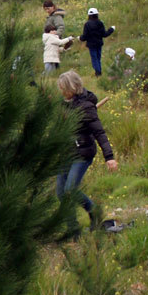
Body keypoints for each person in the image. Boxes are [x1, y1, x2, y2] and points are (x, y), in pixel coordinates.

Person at [57, 70, 118, 227]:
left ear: (73, 87)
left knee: (70, 190)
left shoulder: (86, 107)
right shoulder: (62, 104)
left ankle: (95, 213)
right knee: (61, 193)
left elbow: (99, 133)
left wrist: (109, 157)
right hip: (66, 152)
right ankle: (72, 230)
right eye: (60, 88)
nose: (62, 91)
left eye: (64, 88)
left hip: (83, 153)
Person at [79, 7, 114, 76]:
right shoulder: (100, 23)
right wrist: (111, 29)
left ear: (89, 15)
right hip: (99, 44)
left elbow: (84, 37)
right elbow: (104, 34)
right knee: (98, 58)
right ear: (97, 14)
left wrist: (80, 38)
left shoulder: (87, 24)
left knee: (94, 58)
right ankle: (98, 71)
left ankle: (98, 72)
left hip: (91, 45)